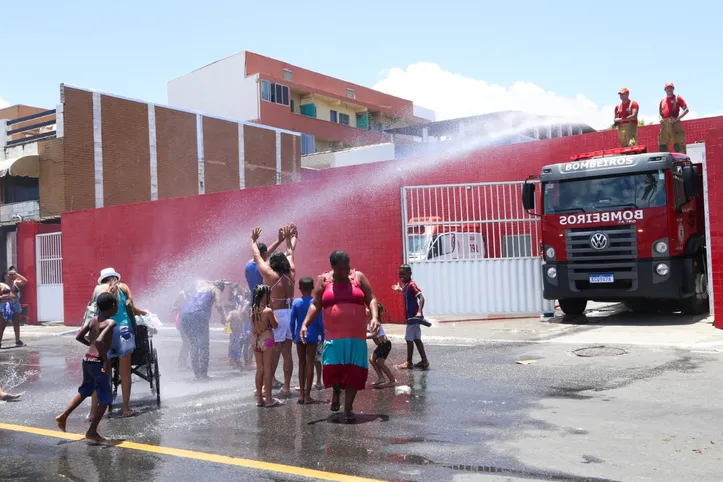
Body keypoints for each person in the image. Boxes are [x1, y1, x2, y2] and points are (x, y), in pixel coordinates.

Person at [300, 250, 380, 423]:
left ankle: (348, 407)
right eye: (342, 269)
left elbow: (371, 298)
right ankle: (336, 392)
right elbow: (316, 304)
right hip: (333, 337)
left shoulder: (358, 277)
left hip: (356, 336)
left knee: (354, 371)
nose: (346, 271)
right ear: (333, 267)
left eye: (347, 267)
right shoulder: (324, 281)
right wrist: (305, 324)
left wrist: (374, 317)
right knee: (332, 370)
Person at [56, 292, 117, 442]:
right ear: (113, 306)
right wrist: (106, 361)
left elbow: (79, 336)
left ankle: (63, 416)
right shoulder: (110, 323)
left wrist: (90, 345)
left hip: (87, 359)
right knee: (105, 399)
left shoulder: (93, 320)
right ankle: (92, 431)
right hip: (98, 362)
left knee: (85, 390)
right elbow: (100, 341)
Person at [88, 268, 147, 419]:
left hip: (105, 331)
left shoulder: (98, 289)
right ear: (116, 278)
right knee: (125, 371)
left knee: (99, 372)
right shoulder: (124, 287)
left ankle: (93, 413)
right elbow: (132, 309)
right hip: (124, 331)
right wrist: (144, 312)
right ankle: (126, 409)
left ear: (102, 280)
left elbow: (91, 311)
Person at [251, 225, 297, 398]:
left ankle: (264, 388)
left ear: (273, 264)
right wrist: (290, 239)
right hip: (289, 316)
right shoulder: (291, 274)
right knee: (287, 354)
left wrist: (253, 241)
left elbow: (257, 257)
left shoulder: (270, 276)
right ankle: (286, 387)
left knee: (271, 354)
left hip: (275, 316)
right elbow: (291, 254)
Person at [180, 279, 227, 380]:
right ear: (221, 287)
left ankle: (196, 375)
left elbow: (198, 279)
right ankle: (203, 374)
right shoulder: (216, 289)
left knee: (193, 344)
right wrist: (223, 316)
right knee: (204, 345)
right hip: (200, 315)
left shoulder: (199, 283)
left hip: (185, 314)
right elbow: (218, 305)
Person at [290, 276, 324, 404]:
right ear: (312, 288)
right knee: (310, 363)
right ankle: (308, 395)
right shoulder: (315, 302)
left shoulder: (296, 303)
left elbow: (292, 321)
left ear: (299, 288)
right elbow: (320, 322)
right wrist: (323, 336)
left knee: (301, 363)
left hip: (300, 336)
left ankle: (301, 395)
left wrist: (293, 335)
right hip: (313, 335)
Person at [393, 264, 430, 369]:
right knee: (416, 339)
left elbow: (421, 298)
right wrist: (399, 289)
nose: (401, 276)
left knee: (409, 339)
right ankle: (424, 360)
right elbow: (406, 293)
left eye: (403, 273)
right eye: (399, 274)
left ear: (410, 274)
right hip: (412, 318)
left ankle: (409, 362)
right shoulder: (406, 285)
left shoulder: (411, 285)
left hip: (413, 318)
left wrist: (419, 312)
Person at [251, 284, 282, 408]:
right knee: (268, 370)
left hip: (256, 341)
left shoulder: (252, 310)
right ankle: (268, 399)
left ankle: (259, 398)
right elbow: (275, 325)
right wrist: (272, 309)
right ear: (265, 296)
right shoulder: (268, 310)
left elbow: (253, 327)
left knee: (260, 370)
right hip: (267, 340)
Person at [244, 229, 285, 300]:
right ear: (264, 254)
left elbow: (261, 254)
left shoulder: (248, 265)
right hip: (264, 303)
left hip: (253, 303)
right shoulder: (263, 268)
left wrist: (278, 241)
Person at [367, 304, 395, 389]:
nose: (367, 311)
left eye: (368, 309)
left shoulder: (375, 323)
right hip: (381, 345)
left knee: (380, 363)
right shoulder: (370, 321)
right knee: (372, 359)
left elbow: (373, 335)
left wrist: (361, 336)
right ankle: (381, 378)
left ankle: (392, 380)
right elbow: (367, 330)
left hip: (384, 345)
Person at [0, 266, 28, 348]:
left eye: (12, 274)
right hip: (5, 304)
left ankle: (17, 340)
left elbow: (25, 281)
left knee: (16, 323)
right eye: (9, 274)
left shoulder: (15, 282)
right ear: (5, 276)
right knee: (2, 325)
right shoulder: (1, 285)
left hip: (15, 303)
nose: (11, 276)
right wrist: (2, 297)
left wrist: (16, 274)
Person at [658, 82, 689, 154]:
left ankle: (682, 161)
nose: (669, 89)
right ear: (665, 90)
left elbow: (686, 110)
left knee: (678, 144)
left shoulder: (677, 98)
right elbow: (660, 113)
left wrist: (677, 118)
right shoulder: (662, 101)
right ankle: (665, 163)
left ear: (673, 89)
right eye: (667, 88)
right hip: (664, 125)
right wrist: (660, 119)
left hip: (674, 123)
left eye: (670, 88)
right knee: (663, 145)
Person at [171, 279, 195, 369]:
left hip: (189, 321)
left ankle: (183, 362)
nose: (191, 286)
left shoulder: (191, 294)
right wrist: (181, 308)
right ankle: (181, 363)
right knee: (187, 342)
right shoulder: (182, 294)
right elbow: (173, 307)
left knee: (188, 342)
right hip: (181, 321)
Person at [227, 283, 252, 369]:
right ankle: (245, 362)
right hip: (243, 323)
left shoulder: (239, 300)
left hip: (239, 324)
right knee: (244, 343)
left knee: (236, 341)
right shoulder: (244, 301)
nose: (244, 290)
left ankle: (235, 359)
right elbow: (242, 312)